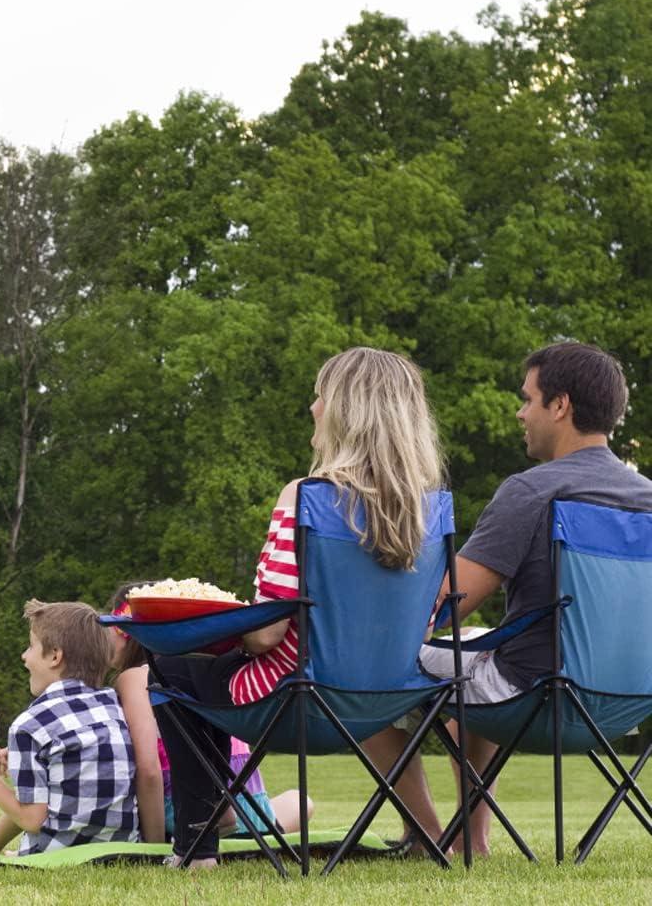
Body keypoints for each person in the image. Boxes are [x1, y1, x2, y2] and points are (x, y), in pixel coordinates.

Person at [152, 347, 446, 867]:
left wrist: (215, 623)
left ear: (344, 411)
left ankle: (198, 845)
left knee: (171, 669)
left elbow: (266, 636)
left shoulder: (306, 498)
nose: (312, 408)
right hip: (383, 699)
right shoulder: (427, 513)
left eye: (319, 397)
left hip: (293, 697)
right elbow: (420, 627)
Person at [364, 340, 652, 857]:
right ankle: (472, 838)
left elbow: (440, 607)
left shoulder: (533, 491)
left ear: (559, 406)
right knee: (472, 651)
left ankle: (431, 836)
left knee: (363, 666)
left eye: (527, 399)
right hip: (626, 702)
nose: (521, 413)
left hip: (535, 698)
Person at [106, 582, 314, 844]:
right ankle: (250, 832)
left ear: (123, 630)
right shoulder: (206, 672)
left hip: (193, 812)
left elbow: (149, 771)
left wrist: (153, 845)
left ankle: (205, 833)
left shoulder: (135, 678)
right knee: (300, 800)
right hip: (252, 812)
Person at [0, 599, 140, 854]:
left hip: (57, 854)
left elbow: (32, 819)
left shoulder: (31, 725)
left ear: (54, 655)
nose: (24, 656)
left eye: (31, 646)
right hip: (118, 851)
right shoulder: (113, 707)